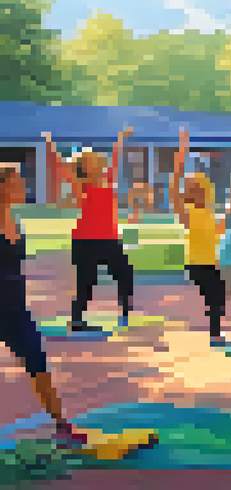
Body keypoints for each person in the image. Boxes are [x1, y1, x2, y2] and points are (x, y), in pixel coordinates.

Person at [0, 163, 90, 449]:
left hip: (15, 307)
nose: (24, 186)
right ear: (3, 186)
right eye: (18, 181)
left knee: (38, 364)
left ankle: (62, 426)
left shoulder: (16, 221)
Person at [46, 128, 136, 334]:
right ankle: (77, 321)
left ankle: (125, 312)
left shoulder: (108, 178)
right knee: (86, 283)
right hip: (85, 241)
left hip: (110, 239)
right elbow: (60, 167)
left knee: (125, 273)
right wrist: (50, 145)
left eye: (97, 159)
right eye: (92, 160)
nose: (98, 161)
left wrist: (121, 138)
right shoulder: (80, 184)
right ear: (83, 167)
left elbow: (116, 157)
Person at [171, 129, 230, 348]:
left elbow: (220, 230)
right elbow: (173, 188)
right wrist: (181, 152)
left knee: (219, 297)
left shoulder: (210, 213)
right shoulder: (188, 213)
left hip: (210, 264)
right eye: (193, 189)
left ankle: (215, 332)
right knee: (216, 297)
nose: (199, 191)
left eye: (200, 188)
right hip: (197, 265)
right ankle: (215, 334)